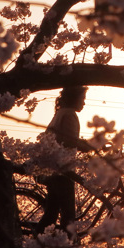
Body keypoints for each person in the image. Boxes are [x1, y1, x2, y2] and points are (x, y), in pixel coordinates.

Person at [37, 86, 89, 234]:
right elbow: (70, 141)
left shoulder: (61, 113)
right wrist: (92, 146)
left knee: (51, 215)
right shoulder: (69, 115)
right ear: (75, 98)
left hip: (53, 169)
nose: (83, 103)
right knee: (68, 218)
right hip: (62, 171)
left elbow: (65, 139)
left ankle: (35, 244)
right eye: (82, 99)